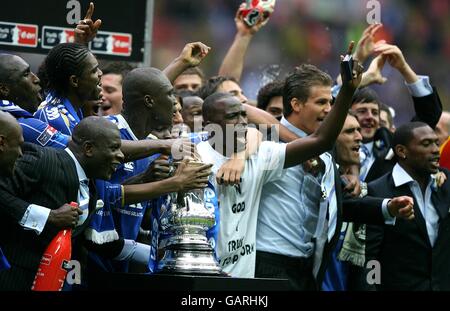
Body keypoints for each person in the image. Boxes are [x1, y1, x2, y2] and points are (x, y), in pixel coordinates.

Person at [195, 49, 366, 278]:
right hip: (252, 264)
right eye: (322, 102)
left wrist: (348, 89)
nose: (241, 122)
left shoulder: (269, 150)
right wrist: (241, 155)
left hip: (305, 266)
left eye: (330, 102)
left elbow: (321, 142)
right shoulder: (200, 153)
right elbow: (237, 112)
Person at [0, 117, 122, 290]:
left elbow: (76, 247)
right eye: (114, 148)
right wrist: (49, 216)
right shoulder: (43, 159)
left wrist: (74, 283)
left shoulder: (92, 188)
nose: (121, 155)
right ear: (88, 148)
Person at [365, 122, 450, 291]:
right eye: (426, 144)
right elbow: (369, 257)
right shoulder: (378, 190)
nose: (435, 149)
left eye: (436, 143)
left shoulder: (446, 183)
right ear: (402, 151)